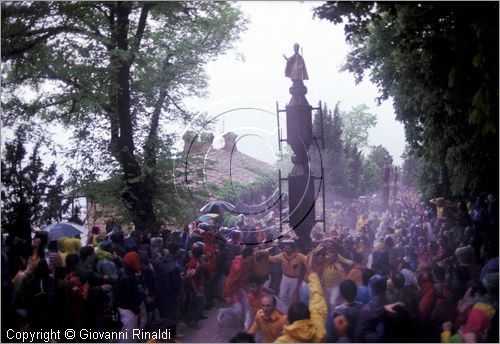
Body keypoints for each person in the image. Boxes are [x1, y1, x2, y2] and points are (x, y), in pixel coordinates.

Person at [274, 272, 327, 343]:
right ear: (309, 316)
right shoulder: (318, 327)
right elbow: (317, 300)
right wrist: (313, 275)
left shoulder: (283, 341)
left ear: (289, 321)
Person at [268, 240, 307, 311]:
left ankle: (289, 311)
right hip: (285, 277)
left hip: (295, 279)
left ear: (293, 248)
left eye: (288, 248)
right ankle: (282, 311)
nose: (286, 249)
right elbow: (273, 259)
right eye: (285, 248)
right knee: (282, 295)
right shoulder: (282, 255)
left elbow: (307, 260)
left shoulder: (299, 256)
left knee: (291, 296)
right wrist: (265, 254)